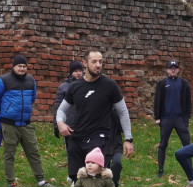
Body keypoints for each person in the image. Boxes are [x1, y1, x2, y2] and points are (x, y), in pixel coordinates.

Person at [56, 49, 135, 180]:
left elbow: (122, 111)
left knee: (95, 180)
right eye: (94, 62)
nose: (98, 65)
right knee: (78, 181)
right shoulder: (75, 87)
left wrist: (128, 138)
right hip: (77, 138)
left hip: (100, 139)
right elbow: (61, 110)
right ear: (85, 63)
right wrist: (60, 123)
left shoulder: (109, 85)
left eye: (100, 62)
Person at [0, 54, 56, 187]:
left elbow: (32, 98)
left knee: (34, 153)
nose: (22, 69)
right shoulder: (3, 80)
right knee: (9, 154)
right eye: (19, 66)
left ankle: (41, 181)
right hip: (9, 124)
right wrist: (5, 111)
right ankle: (11, 182)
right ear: (14, 66)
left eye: (24, 66)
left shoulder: (31, 81)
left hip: (26, 123)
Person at [153, 59, 192, 177]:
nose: (173, 70)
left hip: (180, 118)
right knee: (163, 144)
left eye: (175, 68)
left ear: (178, 70)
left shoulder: (184, 84)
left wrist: (186, 118)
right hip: (166, 119)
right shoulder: (162, 83)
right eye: (171, 68)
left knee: (187, 144)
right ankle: (160, 169)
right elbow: (157, 101)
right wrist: (158, 117)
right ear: (167, 70)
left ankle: (190, 169)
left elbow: (188, 102)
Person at [54, 60, 84, 180]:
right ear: (71, 72)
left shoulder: (85, 85)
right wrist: (57, 125)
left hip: (83, 122)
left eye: (80, 71)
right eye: (76, 71)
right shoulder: (63, 88)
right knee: (71, 150)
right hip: (68, 123)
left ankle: (83, 172)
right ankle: (72, 175)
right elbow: (57, 107)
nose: (78, 74)